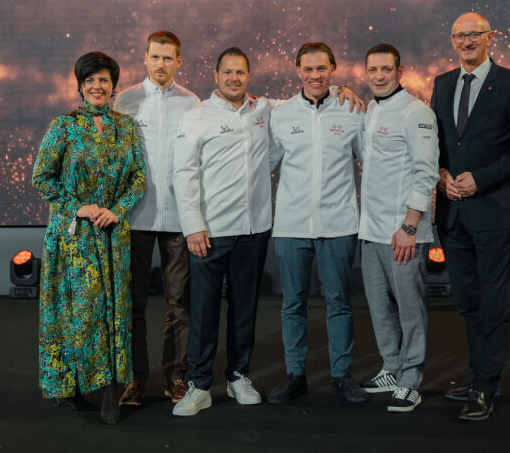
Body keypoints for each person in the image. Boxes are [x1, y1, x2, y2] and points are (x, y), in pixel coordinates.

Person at [430, 12, 510, 421]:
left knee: (493, 301)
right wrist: (440, 174)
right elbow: (436, 141)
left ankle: (486, 386)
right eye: (460, 35)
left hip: (490, 209)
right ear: (452, 40)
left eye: (474, 34)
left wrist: (481, 179)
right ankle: (477, 374)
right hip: (452, 213)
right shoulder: (442, 84)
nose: (467, 41)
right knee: (467, 300)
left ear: (490, 38)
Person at [31, 51, 146, 425]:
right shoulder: (63, 126)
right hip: (73, 237)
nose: (98, 86)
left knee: (114, 312)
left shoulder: (126, 127)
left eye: (104, 81)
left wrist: (118, 210)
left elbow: (138, 177)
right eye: (90, 80)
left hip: (112, 235)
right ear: (80, 86)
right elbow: (41, 177)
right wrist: (78, 207)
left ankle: (110, 389)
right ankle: (72, 384)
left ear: (113, 87)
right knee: (79, 313)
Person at [170, 47, 273, 417]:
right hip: (209, 234)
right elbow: (183, 174)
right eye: (227, 72)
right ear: (216, 76)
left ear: (249, 76)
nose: (234, 78)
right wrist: (193, 226)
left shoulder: (263, 109)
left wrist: (341, 89)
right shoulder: (197, 116)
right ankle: (199, 385)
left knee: (244, 308)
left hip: (253, 230)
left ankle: (238, 376)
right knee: (203, 311)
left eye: (241, 72)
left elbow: (303, 101)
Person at [266, 43, 369, 405]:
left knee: (339, 302)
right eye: (308, 69)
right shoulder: (280, 114)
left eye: (322, 69)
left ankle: (341, 376)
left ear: (333, 68)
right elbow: (264, 167)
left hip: (339, 224)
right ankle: (295, 374)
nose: (315, 75)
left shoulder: (352, 109)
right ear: (297, 70)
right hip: (291, 226)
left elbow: (370, 164)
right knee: (292, 304)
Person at [113, 31, 199, 405]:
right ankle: (134, 380)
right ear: (144, 58)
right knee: (132, 305)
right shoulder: (126, 100)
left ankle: (176, 377)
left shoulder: (192, 102)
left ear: (179, 62)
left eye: (168, 58)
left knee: (179, 303)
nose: (161, 64)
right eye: (155, 57)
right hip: (135, 219)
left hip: (180, 220)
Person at [358, 43, 438, 413]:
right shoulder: (373, 109)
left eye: (385, 69)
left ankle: (411, 379)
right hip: (371, 232)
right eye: (372, 70)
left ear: (399, 70)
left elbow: (426, 173)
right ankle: (391, 367)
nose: (378, 76)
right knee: (379, 308)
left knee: (410, 310)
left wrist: (409, 226)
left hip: (403, 233)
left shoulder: (416, 112)